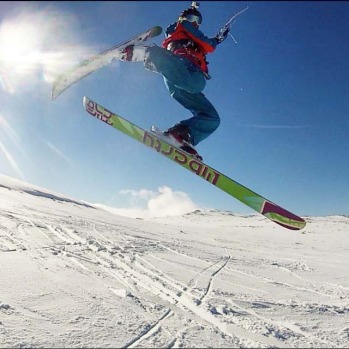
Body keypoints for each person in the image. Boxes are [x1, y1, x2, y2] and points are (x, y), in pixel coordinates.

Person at [118, 2, 230, 160]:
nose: (194, 23)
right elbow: (208, 45)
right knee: (197, 83)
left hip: (180, 80)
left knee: (212, 118)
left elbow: (204, 46)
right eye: (192, 18)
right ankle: (147, 53)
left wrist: (217, 39)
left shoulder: (187, 34)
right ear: (184, 17)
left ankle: (181, 135)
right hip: (184, 69)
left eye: (197, 21)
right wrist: (215, 41)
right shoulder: (183, 25)